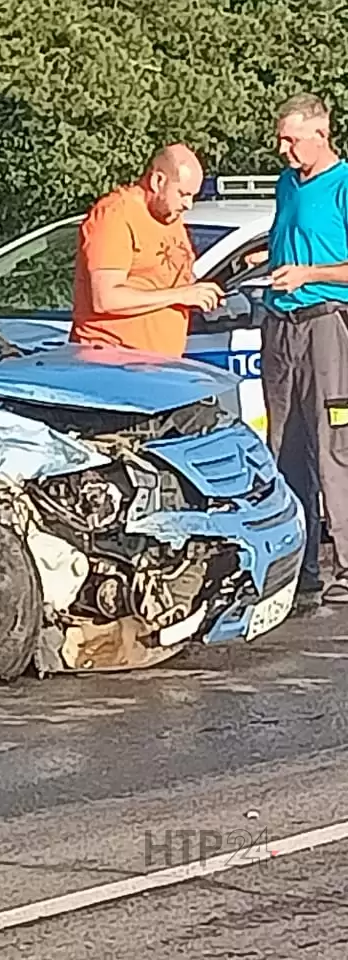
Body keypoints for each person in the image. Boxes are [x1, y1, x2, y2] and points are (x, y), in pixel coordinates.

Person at [260, 93, 348, 603]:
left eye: (292, 139)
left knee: (333, 442)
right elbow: (286, 241)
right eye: (280, 138)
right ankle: (302, 565)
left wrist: (310, 274)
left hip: (326, 325)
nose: (284, 148)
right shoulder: (287, 184)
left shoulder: (343, 186)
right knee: (286, 443)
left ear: (322, 133)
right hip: (280, 324)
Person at [71, 144, 223, 355]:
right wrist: (181, 295)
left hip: (160, 363)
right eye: (183, 194)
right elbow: (106, 298)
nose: (188, 204)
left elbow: (167, 281)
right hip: (113, 361)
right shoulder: (115, 215)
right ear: (157, 181)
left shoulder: (170, 216)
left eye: (193, 196)